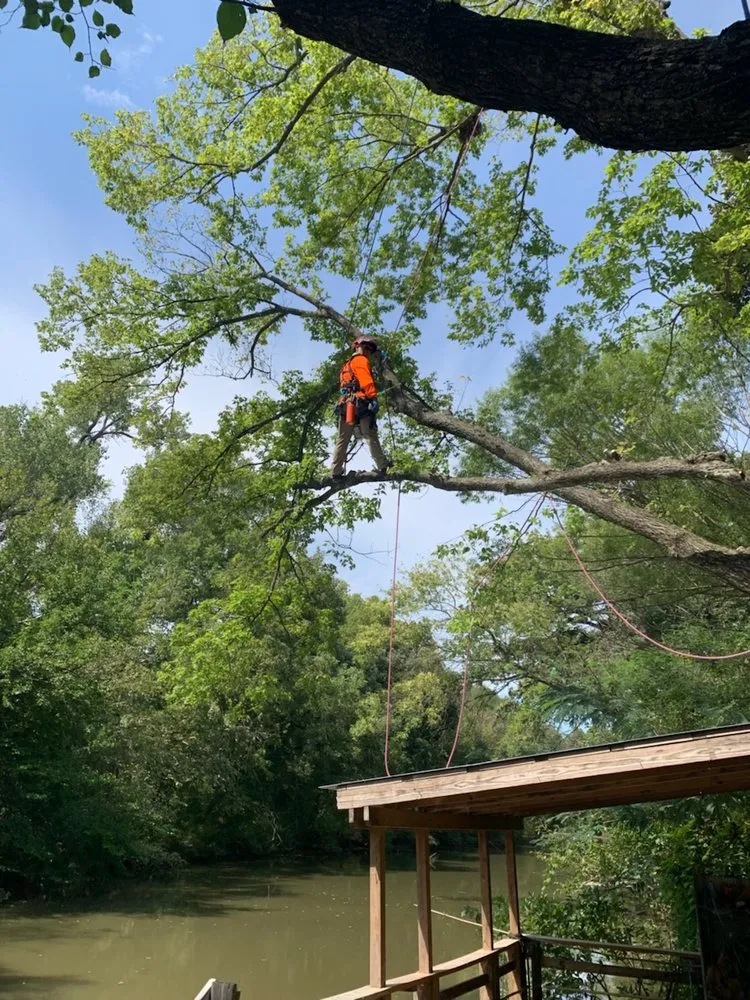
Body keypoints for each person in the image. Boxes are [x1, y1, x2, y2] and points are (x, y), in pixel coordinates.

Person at [331, 335, 392, 479]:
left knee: (343, 438)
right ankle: (382, 466)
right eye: (366, 349)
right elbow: (366, 380)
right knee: (370, 435)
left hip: (346, 405)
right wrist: (373, 397)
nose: (368, 353)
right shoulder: (361, 360)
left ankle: (336, 472)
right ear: (358, 347)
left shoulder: (346, 366)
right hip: (360, 403)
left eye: (370, 351)